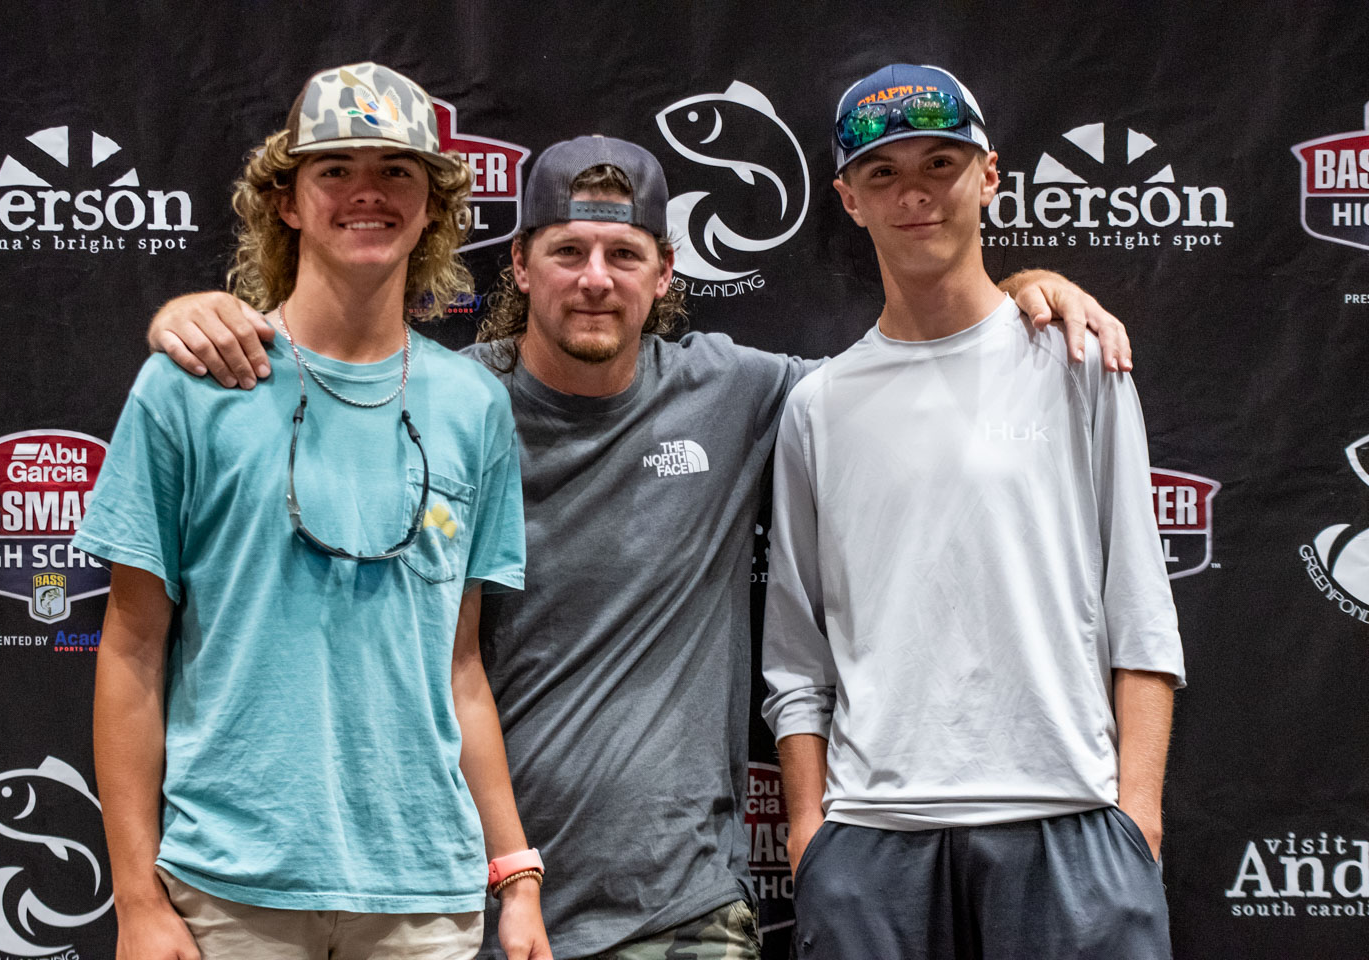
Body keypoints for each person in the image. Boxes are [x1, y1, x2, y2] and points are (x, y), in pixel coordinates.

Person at [145, 123, 1130, 956]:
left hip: (684, 912)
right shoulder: (444, 404)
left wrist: (1024, 292)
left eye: (624, 255)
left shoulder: (739, 393)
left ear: (665, 273)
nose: (595, 280)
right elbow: (320, 375)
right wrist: (195, 315)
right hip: (477, 900)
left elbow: (901, 371)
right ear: (518, 265)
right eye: (567, 251)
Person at [76, 62, 550, 960]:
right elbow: (132, 651)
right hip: (228, 889)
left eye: (396, 170)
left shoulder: (474, 407)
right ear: (285, 201)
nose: (367, 192)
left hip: (423, 896)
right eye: (336, 169)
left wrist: (515, 873)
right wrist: (136, 898)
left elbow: (460, 669)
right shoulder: (190, 386)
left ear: (433, 205)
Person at [762, 63, 1184, 960]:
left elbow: (1141, 607)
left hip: (1071, 827)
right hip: (871, 843)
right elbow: (796, 653)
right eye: (883, 172)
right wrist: (809, 833)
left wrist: (1136, 817)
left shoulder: (1079, 359)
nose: (914, 193)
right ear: (848, 200)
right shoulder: (818, 405)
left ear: (989, 176)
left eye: (939, 164)